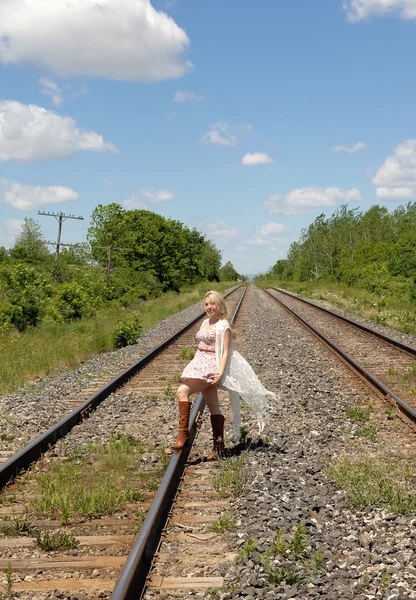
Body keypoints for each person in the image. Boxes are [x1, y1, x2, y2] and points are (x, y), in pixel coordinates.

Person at [172, 290, 279, 460]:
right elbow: (200, 346)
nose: (209, 307)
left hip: (210, 368)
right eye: (206, 304)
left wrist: (219, 373)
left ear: (219, 305)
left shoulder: (224, 326)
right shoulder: (204, 323)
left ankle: (182, 435)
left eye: (212, 304)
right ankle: (219, 448)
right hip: (198, 363)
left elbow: (225, 352)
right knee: (214, 407)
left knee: (182, 391)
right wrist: (192, 364)